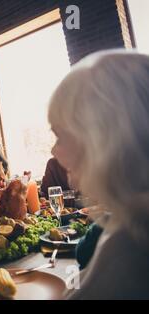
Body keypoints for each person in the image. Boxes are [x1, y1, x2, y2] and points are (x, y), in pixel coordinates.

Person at [48, 50, 149, 299]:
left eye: (60, 135)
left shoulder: (130, 244)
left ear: (100, 137)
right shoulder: (127, 221)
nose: (54, 149)